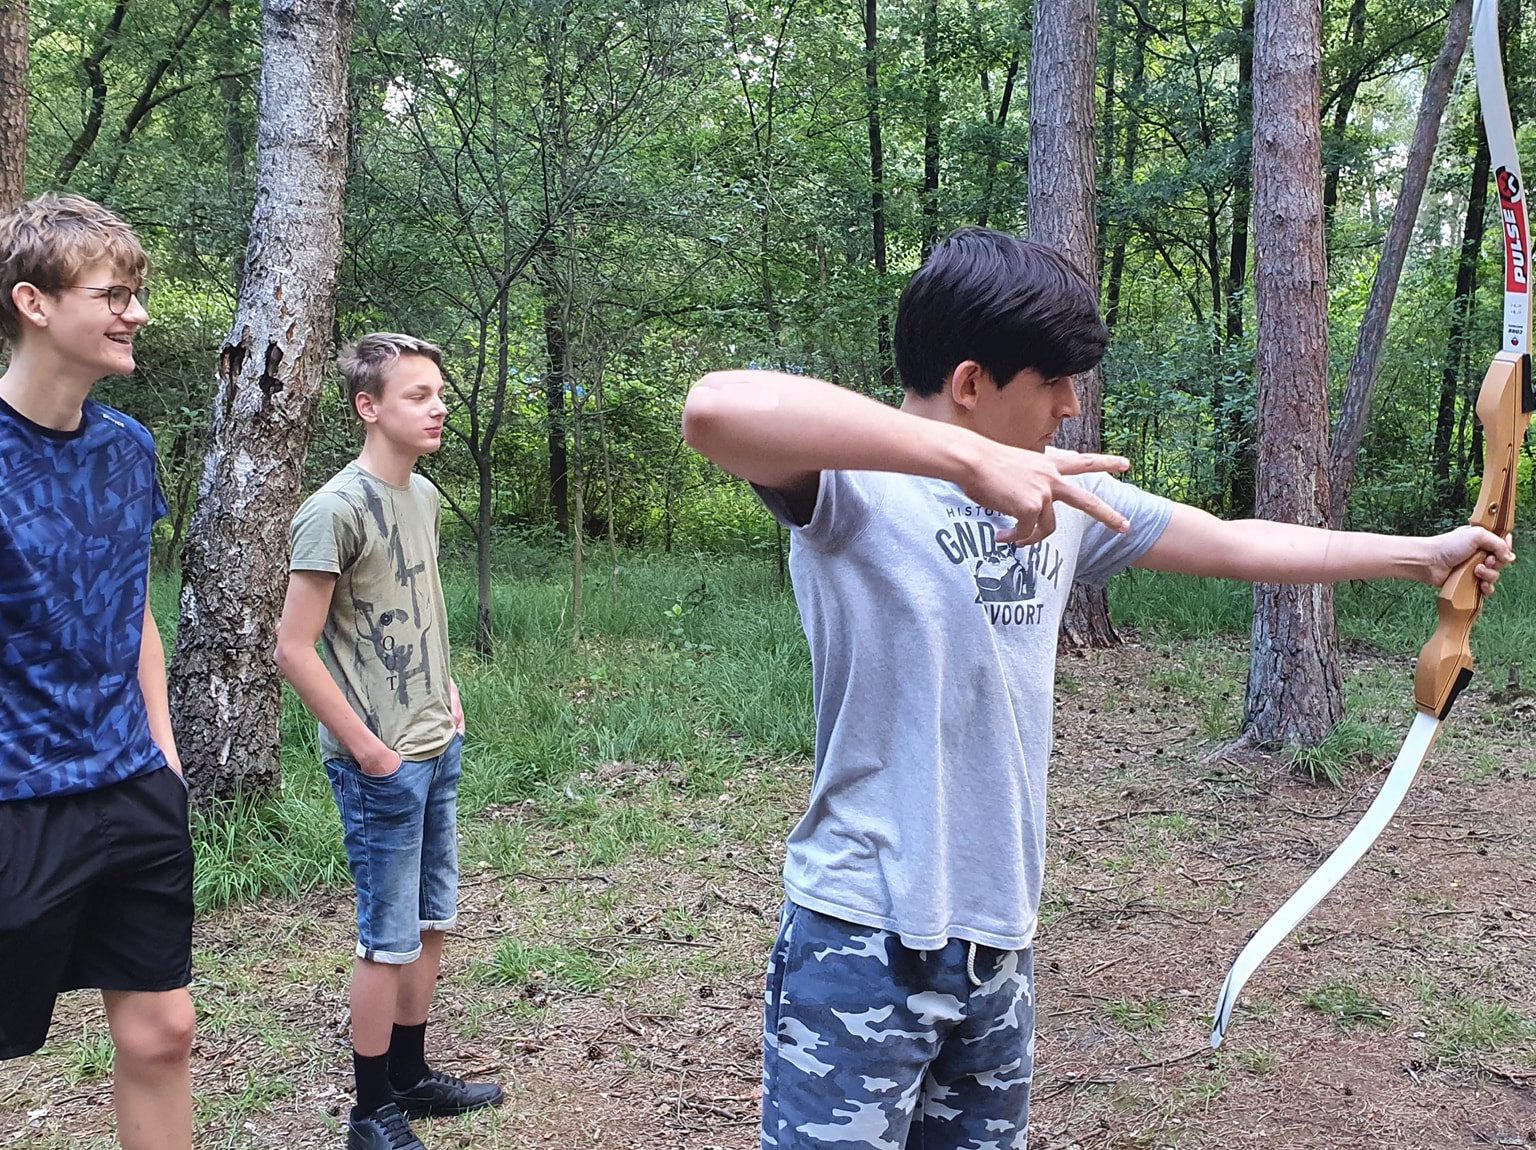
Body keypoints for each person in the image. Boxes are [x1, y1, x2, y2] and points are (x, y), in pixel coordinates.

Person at [680, 227, 1513, 1150]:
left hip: (999, 941)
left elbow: (1238, 541)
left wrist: (1420, 557)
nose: (1072, 407)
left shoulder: (1066, 497)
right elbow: (715, 408)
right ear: (969, 383)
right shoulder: (850, 491)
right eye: (1054, 382)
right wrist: (966, 462)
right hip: (860, 936)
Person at [0, 193, 196, 1150]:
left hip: (129, 786)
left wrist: (161, 751)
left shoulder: (130, 449)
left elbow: (133, 610)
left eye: (138, 293)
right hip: (16, 800)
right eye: (115, 294)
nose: (137, 312)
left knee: (164, 1032)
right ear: (34, 303)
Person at [275, 334, 502, 1150]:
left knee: (432, 919)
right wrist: (370, 750)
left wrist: (446, 691)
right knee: (386, 936)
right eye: (417, 395)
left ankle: (411, 1074)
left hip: (437, 743)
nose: (438, 406)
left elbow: (416, 607)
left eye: (439, 392)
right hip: (381, 764)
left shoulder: (427, 496)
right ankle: (370, 1110)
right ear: (369, 407)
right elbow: (293, 647)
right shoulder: (333, 510)